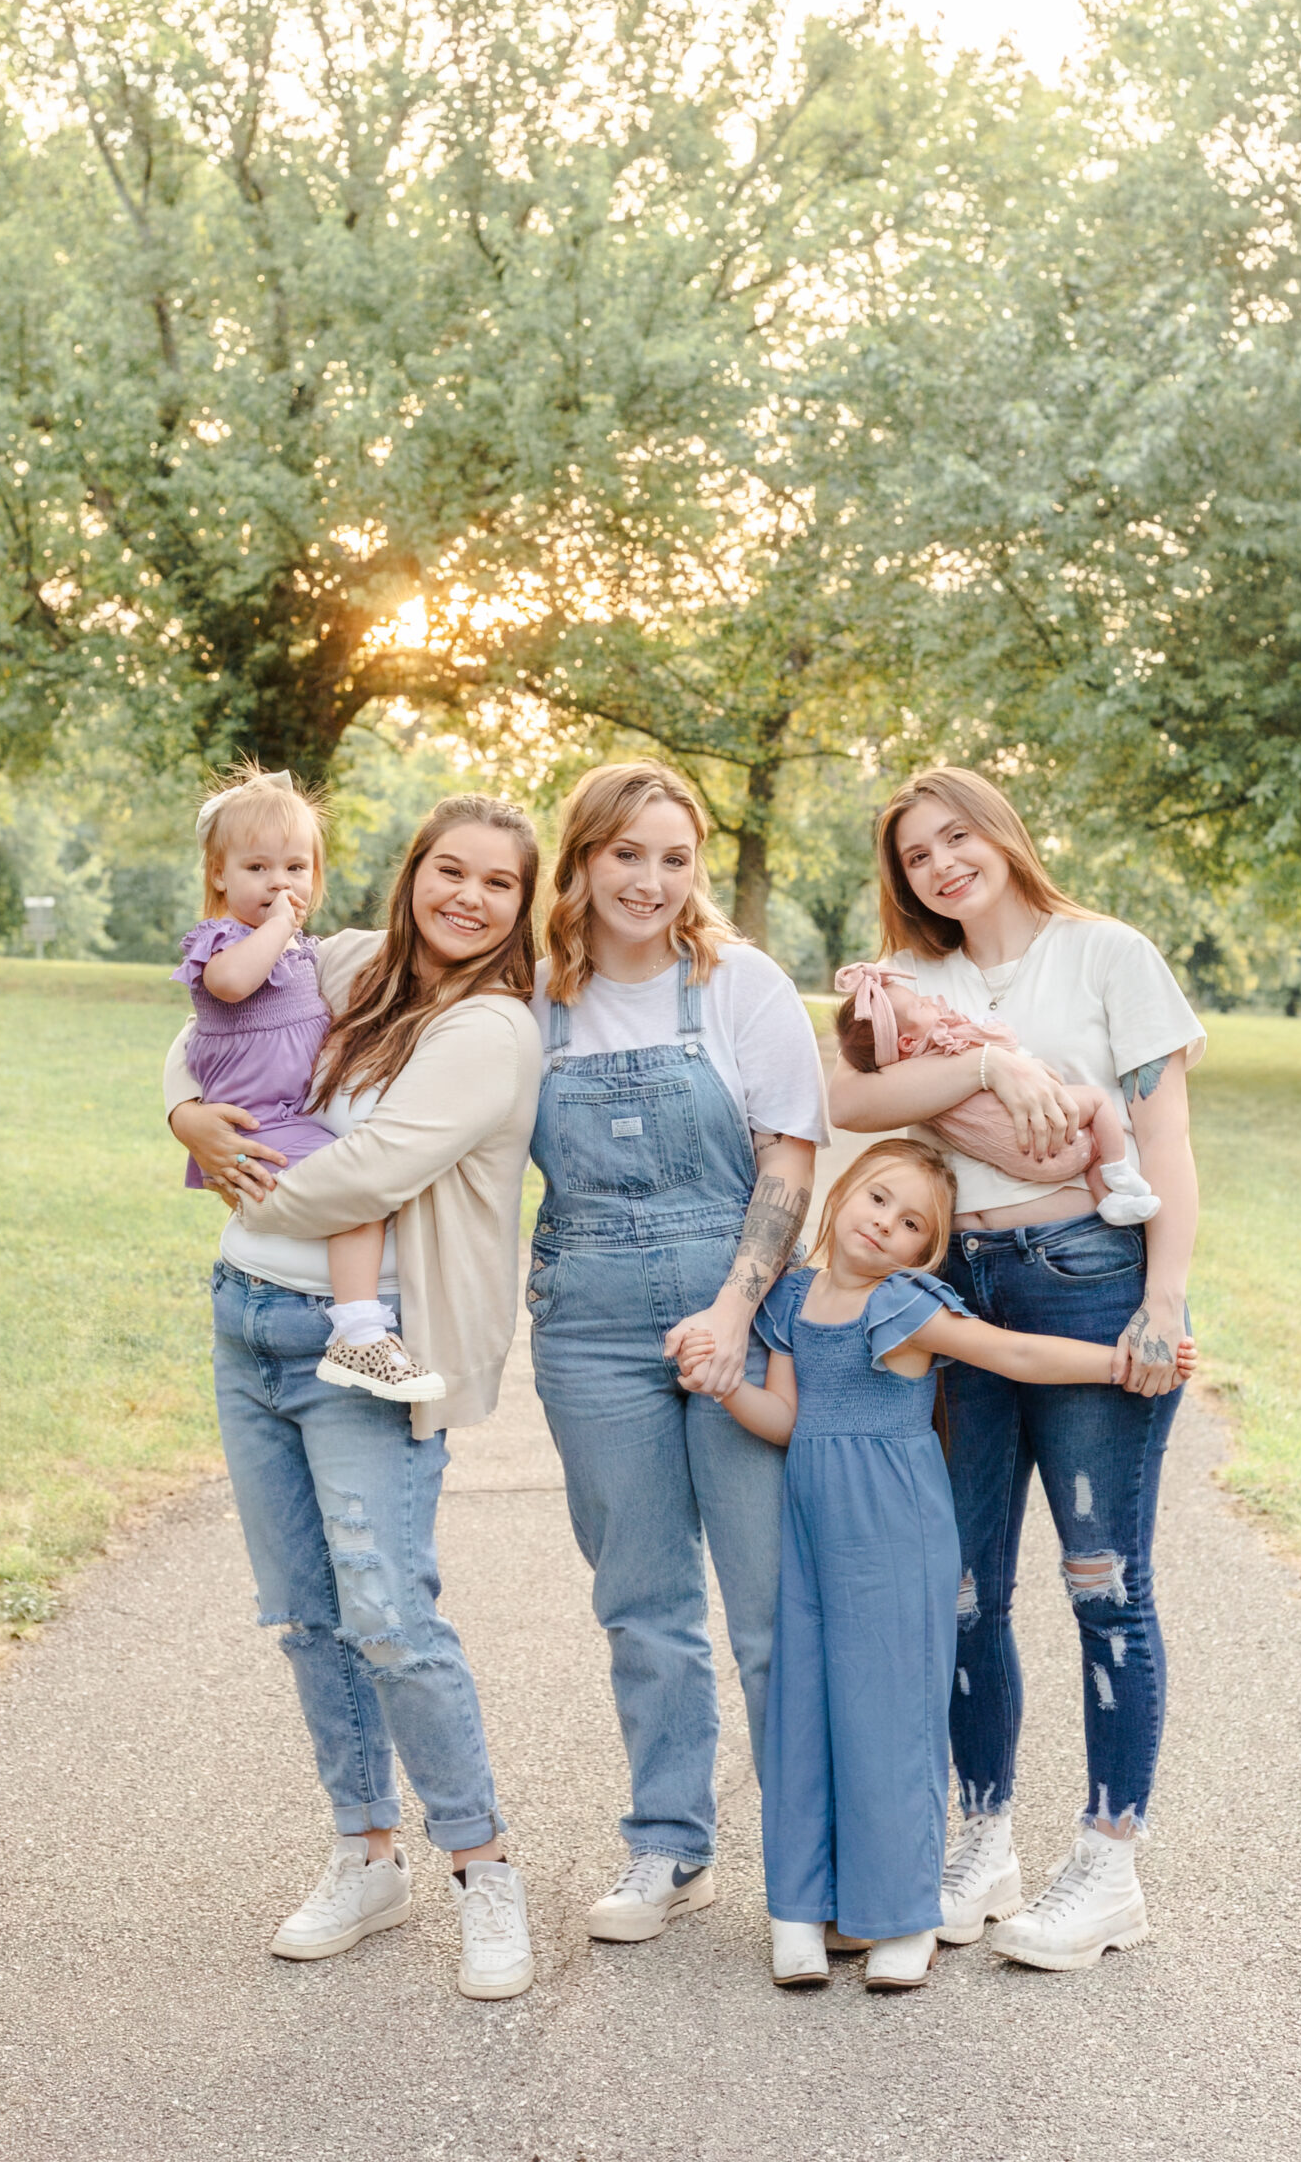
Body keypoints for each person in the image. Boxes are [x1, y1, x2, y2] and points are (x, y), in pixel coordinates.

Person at [163, 791, 543, 1999]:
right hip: (247, 1317)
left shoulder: (493, 1028)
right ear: (410, 872)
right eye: (448, 869)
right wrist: (182, 1115)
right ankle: (363, 1851)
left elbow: (376, 1168)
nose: (466, 896)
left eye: (497, 881)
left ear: (523, 905)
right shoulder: (345, 961)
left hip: (367, 1349)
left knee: (389, 1611)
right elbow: (199, 1029)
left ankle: (482, 1867)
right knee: (306, 1611)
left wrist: (229, 1165)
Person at [828, 766, 1205, 1971]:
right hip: (955, 1289)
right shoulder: (910, 982)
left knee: (1101, 1577)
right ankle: (981, 1835)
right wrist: (990, 1067)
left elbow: (1165, 1143)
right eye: (916, 856)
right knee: (962, 1584)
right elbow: (846, 1096)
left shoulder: (1106, 955)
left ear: (1001, 832)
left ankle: (1106, 1862)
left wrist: (1160, 1301)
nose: (943, 865)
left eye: (957, 837)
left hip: (1086, 1271)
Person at [684, 1139, 1194, 1993]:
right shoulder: (790, 1302)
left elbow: (1014, 1353)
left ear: (927, 1253)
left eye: (912, 1223)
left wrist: (1118, 1362)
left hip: (895, 1534)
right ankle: (801, 1913)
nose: (885, 1225)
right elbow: (783, 1418)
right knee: (805, 1711)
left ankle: (903, 1918)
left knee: (893, 1721)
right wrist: (721, 1382)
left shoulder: (906, 1307)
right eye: (877, 1200)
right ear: (841, 1194)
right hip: (814, 1536)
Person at [525, 759, 828, 1944]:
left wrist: (733, 1312)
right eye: (625, 854)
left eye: (674, 856)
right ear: (583, 859)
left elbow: (790, 1162)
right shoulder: (537, 994)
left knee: (765, 1604)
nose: (651, 880)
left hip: (734, 1311)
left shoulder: (742, 985)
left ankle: (811, 1866)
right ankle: (668, 1847)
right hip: (589, 1326)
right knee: (642, 1602)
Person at [172, 763, 441, 1403]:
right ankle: (358, 1329)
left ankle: (356, 1323)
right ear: (219, 875)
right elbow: (231, 986)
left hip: (292, 1110)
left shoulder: (301, 950)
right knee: (357, 1194)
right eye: (257, 868)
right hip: (259, 1118)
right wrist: (276, 926)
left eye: (295, 869)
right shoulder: (223, 940)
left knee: (350, 1194)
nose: (279, 883)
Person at [831, 961, 1159, 1226]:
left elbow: (1167, 1135)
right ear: (905, 1043)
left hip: (1062, 1221)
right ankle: (1118, 1171)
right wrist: (988, 1061)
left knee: (1090, 1148)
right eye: (920, 1004)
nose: (931, 1000)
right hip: (1041, 1153)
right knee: (1098, 1103)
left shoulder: (912, 1084)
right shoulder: (945, 1041)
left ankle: (1109, 1199)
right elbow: (842, 1108)